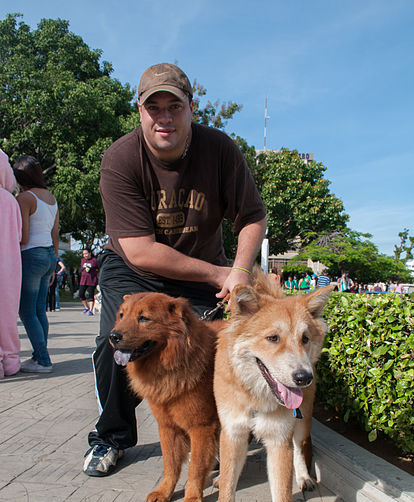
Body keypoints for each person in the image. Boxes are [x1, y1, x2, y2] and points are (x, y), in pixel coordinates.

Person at [83, 63, 267, 476]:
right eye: (154, 108)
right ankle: (110, 436)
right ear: (140, 111)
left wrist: (238, 269)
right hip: (135, 271)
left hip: (203, 268)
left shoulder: (220, 149)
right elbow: (142, 251)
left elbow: (253, 216)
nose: (164, 117)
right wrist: (220, 274)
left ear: (191, 108)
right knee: (114, 344)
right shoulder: (121, 158)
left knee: (222, 344)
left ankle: (223, 427)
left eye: (174, 106)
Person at [14, 155, 59, 374]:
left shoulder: (25, 198)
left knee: (27, 311)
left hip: (31, 255)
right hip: (49, 254)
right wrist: (55, 261)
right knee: (40, 310)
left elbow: (23, 237)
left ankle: (42, 360)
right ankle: (38, 356)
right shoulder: (51, 198)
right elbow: (55, 233)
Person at [0, 149, 22, 378]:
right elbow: (19, 235)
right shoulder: (9, 200)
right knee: (6, 314)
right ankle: (10, 360)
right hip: (8, 266)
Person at [79, 248, 99, 315]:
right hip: (83, 280)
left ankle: (90, 310)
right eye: (84, 254)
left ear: (90, 253)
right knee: (81, 294)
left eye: (86, 253)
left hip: (91, 280)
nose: (85, 255)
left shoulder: (94, 260)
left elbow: (98, 269)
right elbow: (82, 269)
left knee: (91, 295)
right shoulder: (82, 260)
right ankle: (86, 307)